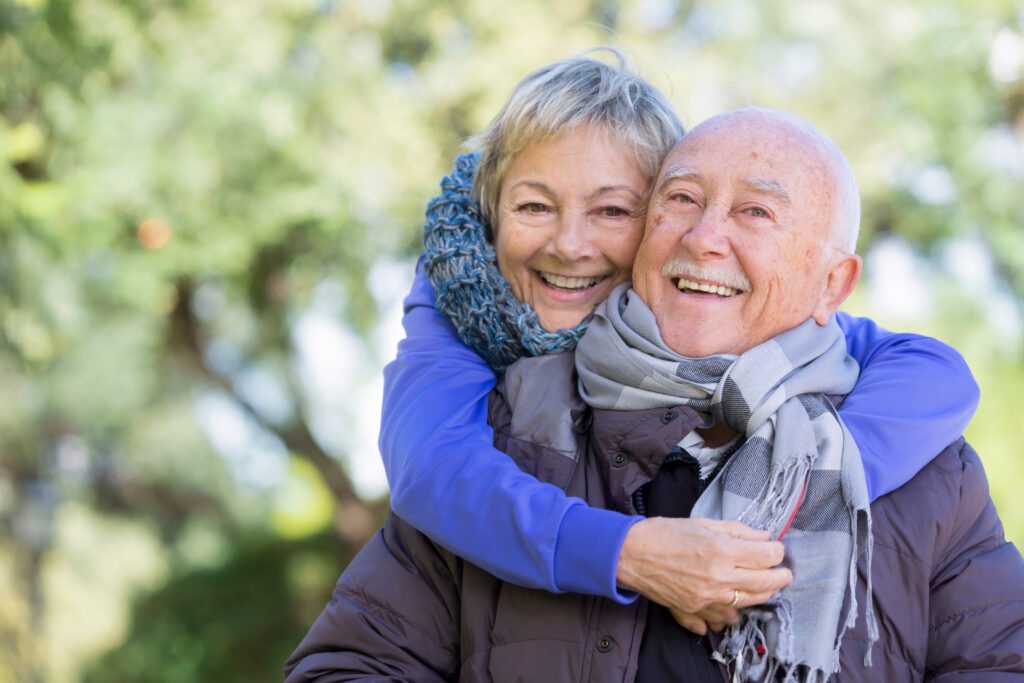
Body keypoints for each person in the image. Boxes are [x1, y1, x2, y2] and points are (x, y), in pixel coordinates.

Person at [284, 108, 1024, 681]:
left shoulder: (929, 472)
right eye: (682, 198)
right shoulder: (508, 435)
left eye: (756, 212)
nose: (705, 237)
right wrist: (624, 554)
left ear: (834, 283)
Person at [376, 50, 978, 632]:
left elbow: (929, 369)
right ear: (492, 216)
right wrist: (627, 554)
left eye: (612, 211)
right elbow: (429, 466)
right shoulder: (461, 292)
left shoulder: (761, 359)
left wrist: (803, 489)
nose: (570, 245)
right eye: (535, 206)